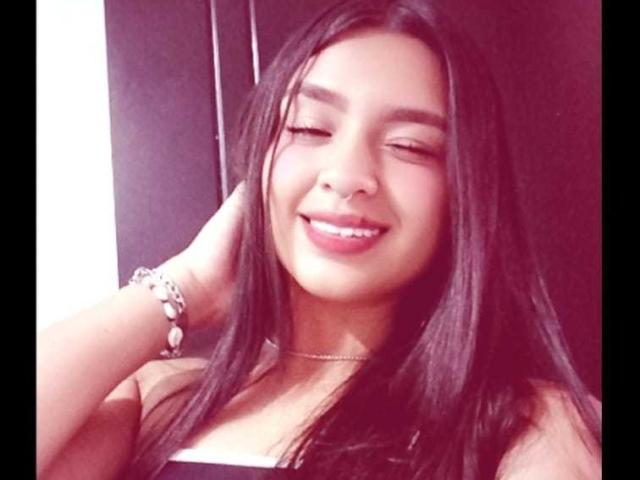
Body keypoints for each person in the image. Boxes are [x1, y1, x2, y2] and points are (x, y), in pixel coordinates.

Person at [37, 1, 602, 479]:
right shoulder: (159, 399)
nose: (348, 174)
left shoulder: (528, 425)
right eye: (309, 128)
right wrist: (183, 286)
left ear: (465, 193)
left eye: (410, 146)